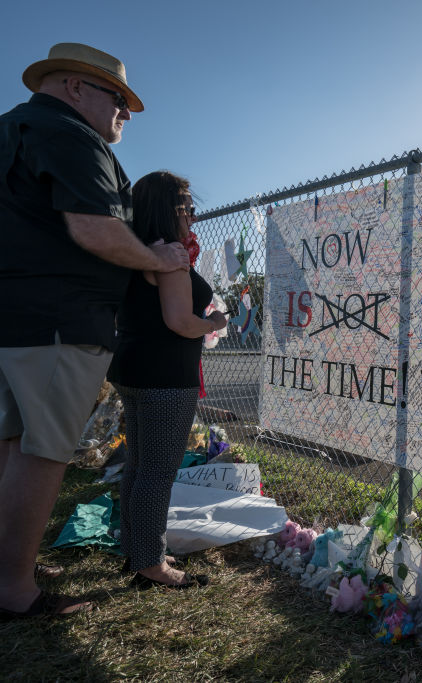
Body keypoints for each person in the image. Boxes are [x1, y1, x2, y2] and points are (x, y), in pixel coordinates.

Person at [0, 43, 189, 618]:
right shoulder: (71, 134)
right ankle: (13, 591)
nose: (125, 114)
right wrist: (163, 261)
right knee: (44, 451)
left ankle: (10, 563)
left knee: (10, 444)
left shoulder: (13, 128)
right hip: (59, 319)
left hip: (14, 316)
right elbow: (93, 228)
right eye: (119, 99)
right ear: (75, 87)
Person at [107, 171, 228, 589]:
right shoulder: (170, 255)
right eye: (187, 209)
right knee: (157, 472)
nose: (193, 217)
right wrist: (213, 320)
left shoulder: (134, 251)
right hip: (165, 377)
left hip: (133, 369)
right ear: (168, 210)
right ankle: (150, 564)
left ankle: (137, 549)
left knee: (138, 467)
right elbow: (179, 322)